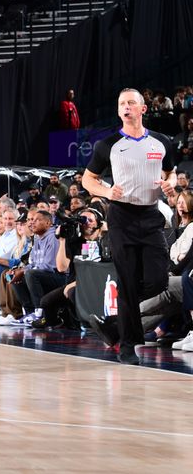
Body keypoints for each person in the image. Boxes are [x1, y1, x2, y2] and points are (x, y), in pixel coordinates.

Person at [82, 88, 175, 365]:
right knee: (127, 283)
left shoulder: (161, 142)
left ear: (143, 109)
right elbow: (88, 180)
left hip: (150, 215)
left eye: (131, 103)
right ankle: (128, 345)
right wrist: (107, 192)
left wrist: (170, 181)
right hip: (121, 217)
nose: (126, 107)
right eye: (121, 103)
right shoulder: (107, 144)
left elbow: (170, 171)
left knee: (159, 280)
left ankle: (113, 326)